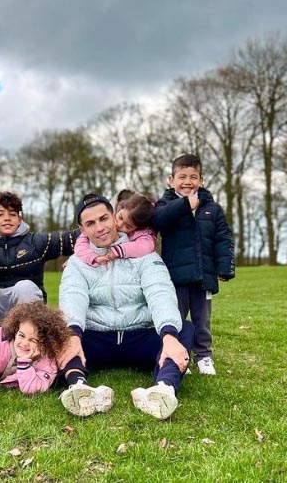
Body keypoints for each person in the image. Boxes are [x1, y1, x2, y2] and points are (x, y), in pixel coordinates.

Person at [57, 193, 195, 420]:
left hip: (139, 336)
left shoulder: (144, 254)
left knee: (183, 329)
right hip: (97, 338)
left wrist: (169, 335)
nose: (100, 227)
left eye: (104, 219)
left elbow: (160, 292)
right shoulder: (76, 263)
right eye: (91, 223)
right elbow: (73, 298)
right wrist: (72, 335)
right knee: (61, 335)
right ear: (82, 229)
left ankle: (163, 388)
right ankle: (78, 387)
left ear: (114, 217)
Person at [152, 154, 235, 376]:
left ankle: (204, 356)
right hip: (175, 277)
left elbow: (223, 239)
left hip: (203, 276)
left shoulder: (212, 209)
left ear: (201, 180)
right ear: (171, 180)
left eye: (193, 176)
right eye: (182, 176)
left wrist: (225, 268)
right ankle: (179, 355)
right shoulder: (165, 205)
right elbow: (158, 221)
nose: (187, 181)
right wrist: (184, 205)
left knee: (202, 320)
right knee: (175, 318)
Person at [0, 191, 79, 339]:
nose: (7, 218)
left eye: (12, 214)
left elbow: (73, 238)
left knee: (25, 286)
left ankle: (31, 342)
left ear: (20, 219)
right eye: (0, 214)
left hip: (28, 306)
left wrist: (79, 254)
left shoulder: (36, 242)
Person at [0, 301, 71, 396]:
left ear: (46, 343)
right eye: (21, 335)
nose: (24, 343)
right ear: (15, 330)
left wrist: (25, 363)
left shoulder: (47, 364)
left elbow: (32, 389)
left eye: (33, 340)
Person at [73, 191, 156, 266]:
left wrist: (118, 250)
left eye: (127, 226)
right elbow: (80, 246)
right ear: (118, 209)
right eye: (120, 217)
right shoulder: (88, 233)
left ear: (136, 229)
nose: (119, 225)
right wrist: (93, 258)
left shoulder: (143, 235)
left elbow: (147, 246)